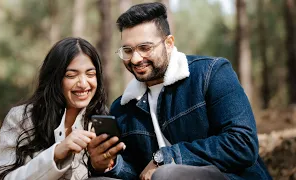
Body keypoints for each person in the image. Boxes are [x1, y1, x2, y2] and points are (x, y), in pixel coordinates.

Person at [87, 2, 272, 180]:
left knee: (167, 175)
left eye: (145, 48)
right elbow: (137, 171)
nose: (135, 59)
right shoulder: (122, 107)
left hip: (230, 177)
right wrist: (109, 165)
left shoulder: (212, 73)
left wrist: (165, 158)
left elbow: (243, 143)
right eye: (127, 50)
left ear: (168, 43)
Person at [0, 37, 117, 180]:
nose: (83, 83)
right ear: (55, 78)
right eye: (71, 75)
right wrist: (56, 153)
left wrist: (101, 167)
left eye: (90, 74)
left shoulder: (101, 121)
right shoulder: (21, 118)